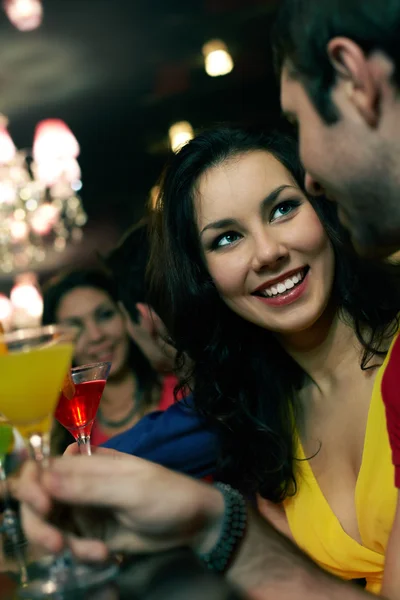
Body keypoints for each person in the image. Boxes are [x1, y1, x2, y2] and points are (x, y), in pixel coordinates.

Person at [18, 128, 400, 599]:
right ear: (203, 277)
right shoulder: (261, 414)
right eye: (227, 238)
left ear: (322, 206)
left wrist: (217, 525)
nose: (268, 252)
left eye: (283, 209)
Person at [272, 3, 400, 596]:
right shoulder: (261, 429)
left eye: (299, 124)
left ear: (353, 77)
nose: (314, 178)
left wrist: (223, 532)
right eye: (225, 238)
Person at [42, 269, 175, 450]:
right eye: (75, 327)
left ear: (125, 316)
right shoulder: (64, 432)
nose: (96, 336)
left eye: (105, 315)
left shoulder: (182, 391)